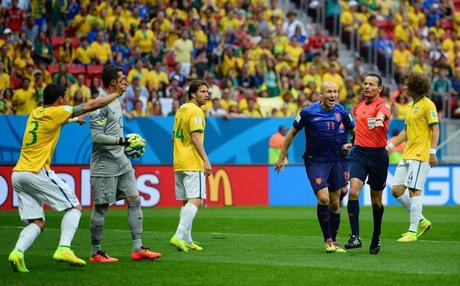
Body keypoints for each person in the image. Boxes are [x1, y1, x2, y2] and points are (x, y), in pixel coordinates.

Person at [8, 82, 126, 272]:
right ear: (60, 99)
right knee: (74, 207)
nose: (66, 100)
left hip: (18, 174)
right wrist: (117, 94)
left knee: (37, 222)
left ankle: (17, 252)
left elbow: (54, 121)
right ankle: (64, 248)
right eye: (65, 97)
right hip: (36, 171)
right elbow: (91, 105)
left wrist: (73, 120)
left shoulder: (36, 112)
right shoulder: (58, 111)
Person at [89, 65, 161, 262]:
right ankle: (96, 252)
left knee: (135, 200)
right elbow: (96, 137)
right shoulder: (100, 104)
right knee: (102, 207)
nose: (126, 82)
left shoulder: (117, 100)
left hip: (121, 161)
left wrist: (123, 145)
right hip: (104, 164)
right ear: (113, 82)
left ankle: (138, 249)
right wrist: (121, 141)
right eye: (122, 79)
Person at [274, 81, 354, 253]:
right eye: (329, 92)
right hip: (315, 161)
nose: (332, 95)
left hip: (335, 161)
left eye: (335, 92)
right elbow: (291, 133)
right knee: (324, 198)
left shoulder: (341, 111)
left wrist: (351, 143)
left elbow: (355, 131)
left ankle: (333, 240)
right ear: (321, 95)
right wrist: (282, 157)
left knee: (335, 201)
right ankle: (328, 241)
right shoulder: (308, 112)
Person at [386, 72, 438, 242]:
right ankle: (421, 220)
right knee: (397, 190)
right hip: (407, 153)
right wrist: (392, 146)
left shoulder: (428, 105)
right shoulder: (410, 106)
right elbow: (405, 131)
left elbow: (435, 129)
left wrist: (432, 152)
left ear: (416, 86)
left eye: (407, 85)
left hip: (421, 154)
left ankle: (412, 231)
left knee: (414, 190)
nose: (404, 87)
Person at [345, 73, 392, 255]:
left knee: (376, 201)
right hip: (359, 153)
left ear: (379, 88)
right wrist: (352, 141)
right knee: (354, 191)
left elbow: (382, 115)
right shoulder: (357, 107)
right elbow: (359, 129)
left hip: (378, 156)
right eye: (365, 83)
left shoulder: (383, 105)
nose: (367, 86)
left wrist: (380, 120)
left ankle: (376, 235)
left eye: (371, 84)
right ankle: (355, 236)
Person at [170, 79, 212, 252]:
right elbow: (196, 138)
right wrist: (206, 161)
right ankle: (178, 236)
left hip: (179, 161)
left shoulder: (181, 109)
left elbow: (173, 137)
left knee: (186, 201)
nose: (206, 95)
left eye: (207, 92)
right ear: (193, 94)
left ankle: (187, 240)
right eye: (202, 91)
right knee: (197, 200)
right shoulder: (196, 112)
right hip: (192, 162)